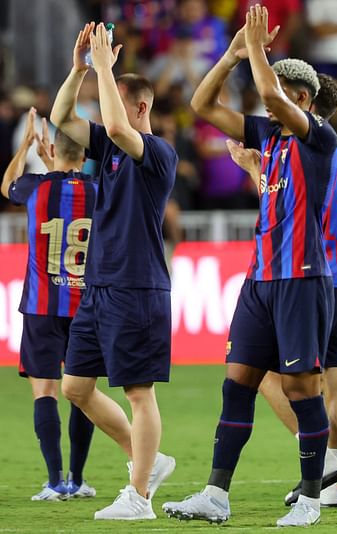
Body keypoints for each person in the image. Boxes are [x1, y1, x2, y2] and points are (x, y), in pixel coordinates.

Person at [163, 6, 337, 527]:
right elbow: (201, 103)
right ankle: (216, 495)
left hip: (302, 278)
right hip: (260, 279)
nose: (267, 94)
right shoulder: (271, 139)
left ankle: (310, 499)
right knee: (237, 382)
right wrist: (234, 53)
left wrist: (258, 53)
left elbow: (265, 94)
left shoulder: (317, 138)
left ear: (300, 100)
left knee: (301, 387)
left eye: (281, 90)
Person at [51, 22, 178, 520]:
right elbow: (63, 114)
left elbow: (121, 129)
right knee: (76, 387)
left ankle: (140, 497)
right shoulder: (108, 149)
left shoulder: (158, 153)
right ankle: (148, 461)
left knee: (137, 392)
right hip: (99, 285)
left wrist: (105, 66)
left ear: (141, 107)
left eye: (113, 100)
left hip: (137, 285)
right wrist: (80, 68)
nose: (105, 115)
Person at [229, 73, 337, 509]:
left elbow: (288, 210)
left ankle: (318, 470)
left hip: (308, 276)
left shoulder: (305, 147)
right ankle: (332, 477)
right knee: (334, 385)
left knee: (274, 378)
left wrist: (254, 170)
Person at [1, 108, 97, 502]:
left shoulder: (35, 187)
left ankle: (55, 480)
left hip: (42, 306)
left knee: (46, 391)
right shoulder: (98, 189)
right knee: (82, 392)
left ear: (52, 150)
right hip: (86, 306)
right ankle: (77, 478)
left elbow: (6, 185)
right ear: (86, 157)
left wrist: (26, 147)